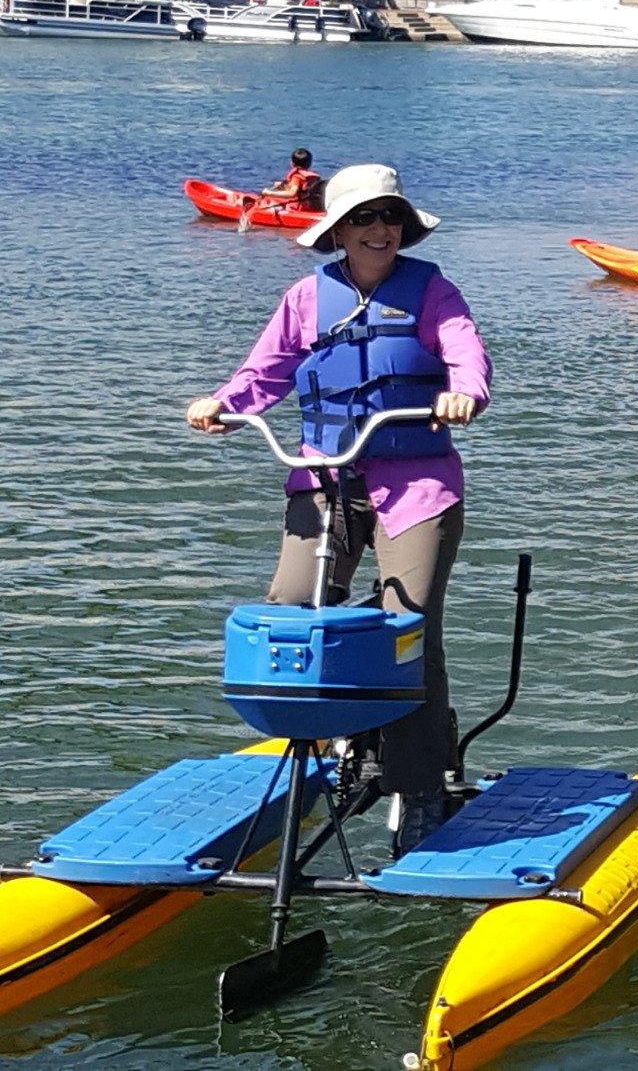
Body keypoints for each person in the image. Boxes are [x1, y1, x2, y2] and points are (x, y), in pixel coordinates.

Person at [184, 165, 492, 853]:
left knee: (406, 623)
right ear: (339, 232)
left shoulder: (432, 291)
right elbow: (263, 373)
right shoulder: (304, 298)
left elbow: (467, 354)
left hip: (416, 482)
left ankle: (421, 787)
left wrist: (463, 392)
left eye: (389, 217)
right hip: (324, 478)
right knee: (291, 607)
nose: (379, 230)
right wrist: (222, 407)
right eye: (363, 219)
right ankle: (329, 742)